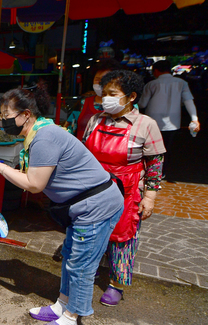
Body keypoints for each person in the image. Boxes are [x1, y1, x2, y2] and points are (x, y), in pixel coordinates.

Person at [0, 87, 124, 325]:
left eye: (5, 115)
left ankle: (70, 319)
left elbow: (34, 184)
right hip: (83, 206)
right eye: (0, 115)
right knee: (70, 257)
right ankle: (61, 305)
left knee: (81, 264)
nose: (2, 121)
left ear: (25, 114)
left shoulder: (44, 137)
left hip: (96, 206)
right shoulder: (39, 133)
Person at [82, 70, 165, 307]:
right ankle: (92, 270)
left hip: (127, 190)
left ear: (131, 97)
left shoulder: (146, 124)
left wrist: (149, 198)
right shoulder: (96, 120)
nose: (105, 98)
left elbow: (155, 164)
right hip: (95, 186)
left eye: (113, 94)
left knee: (122, 237)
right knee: (92, 231)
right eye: (104, 93)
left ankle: (117, 283)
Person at [139, 60, 200, 177]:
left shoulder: (151, 84)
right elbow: (188, 101)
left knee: (149, 147)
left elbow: (142, 104)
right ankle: (162, 172)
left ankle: (150, 171)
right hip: (173, 123)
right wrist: (194, 118)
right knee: (167, 148)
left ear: (156, 71)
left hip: (152, 121)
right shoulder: (182, 83)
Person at [64, 59, 123, 140]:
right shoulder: (83, 103)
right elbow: (69, 129)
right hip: (82, 151)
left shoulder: (125, 104)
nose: (99, 83)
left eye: (104, 80)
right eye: (97, 79)